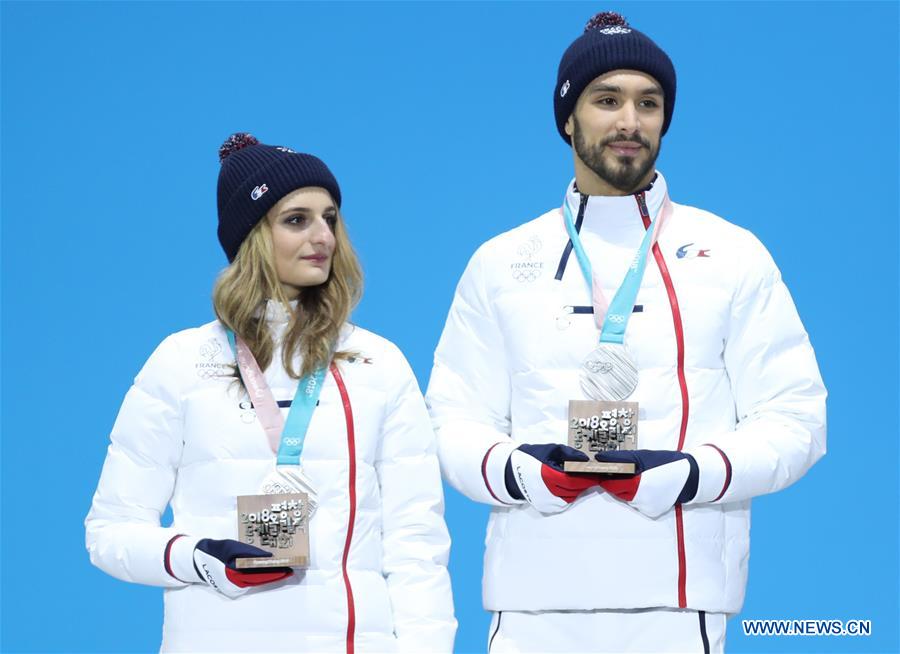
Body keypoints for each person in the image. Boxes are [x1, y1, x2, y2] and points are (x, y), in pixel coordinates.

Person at [426, 11, 826, 653]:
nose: (629, 122)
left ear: (666, 118)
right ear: (567, 118)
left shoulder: (732, 253)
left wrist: (690, 474)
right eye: (606, 100)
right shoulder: (501, 261)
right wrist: (518, 472)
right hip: (531, 605)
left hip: (677, 603)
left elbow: (798, 418)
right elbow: (448, 421)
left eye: (648, 102)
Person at [86, 133, 456, 653]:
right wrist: (197, 556)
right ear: (252, 235)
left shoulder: (379, 363)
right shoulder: (182, 362)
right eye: (296, 219)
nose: (322, 236)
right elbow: (110, 532)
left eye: (330, 217)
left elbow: (416, 543)